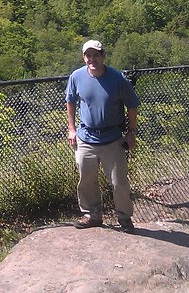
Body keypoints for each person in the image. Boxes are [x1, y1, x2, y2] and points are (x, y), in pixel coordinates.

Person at [65, 39, 139, 233]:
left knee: (119, 182)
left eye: (96, 55)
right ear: (84, 58)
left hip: (113, 139)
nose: (92, 59)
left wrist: (131, 132)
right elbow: (70, 101)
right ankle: (92, 215)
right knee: (86, 180)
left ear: (103, 56)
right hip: (86, 138)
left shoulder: (117, 78)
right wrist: (71, 128)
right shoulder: (76, 76)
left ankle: (124, 218)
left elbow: (132, 105)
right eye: (88, 56)